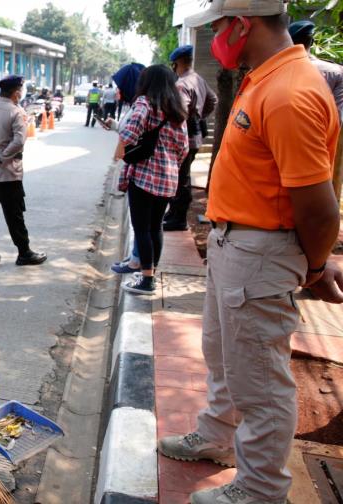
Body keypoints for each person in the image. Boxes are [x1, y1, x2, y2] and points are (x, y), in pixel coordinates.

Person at [159, 2, 343, 503]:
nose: (215, 39)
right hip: (234, 242)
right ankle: (218, 437)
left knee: (260, 380)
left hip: (260, 251)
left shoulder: (290, 92)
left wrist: (313, 264)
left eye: (218, 27)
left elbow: (321, 208)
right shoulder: (266, 78)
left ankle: (261, 489)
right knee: (225, 358)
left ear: (243, 24)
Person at [109, 65, 189, 295]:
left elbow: (128, 134)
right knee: (156, 228)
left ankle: (146, 280)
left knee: (141, 228)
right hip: (168, 177)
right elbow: (183, 148)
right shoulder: (177, 109)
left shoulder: (145, 103)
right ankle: (150, 274)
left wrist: (124, 144)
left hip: (145, 176)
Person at [0, 75, 48, 267]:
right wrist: (0, 158)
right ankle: (24, 252)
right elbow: (19, 141)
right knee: (14, 214)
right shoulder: (17, 112)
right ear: (17, 92)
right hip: (8, 173)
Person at [163, 45, 218, 231]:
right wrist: (201, 116)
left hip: (185, 138)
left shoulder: (182, 84)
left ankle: (178, 218)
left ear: (177, 63)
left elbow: (181, 111)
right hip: (196, 136)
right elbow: (213, 100)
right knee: (183, 175)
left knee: (180, 178)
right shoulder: (198, 79)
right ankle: (174, 214)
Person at [289, 19, 343, 200]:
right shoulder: (335, 72)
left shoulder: (280, 68)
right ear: (311, 42)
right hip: (324, 151)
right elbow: (338, 117)